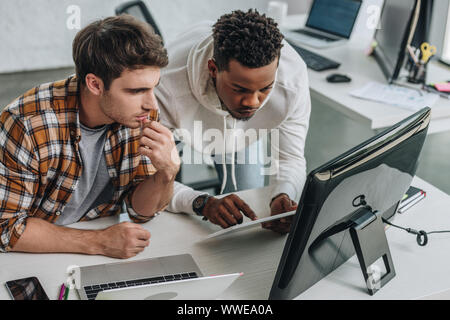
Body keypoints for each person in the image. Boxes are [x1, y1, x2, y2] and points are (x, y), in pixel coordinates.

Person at [0, 15, 180, 259]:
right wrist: (100, 242)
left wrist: (166, 174)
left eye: (153, 87)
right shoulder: (27, 125)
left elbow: (140, 212)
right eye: (136, 91)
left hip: (96, 249)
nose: (151, 103)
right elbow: (6, 228)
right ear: (95, 85)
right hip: (30, 254)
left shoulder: (139, 115)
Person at [156, 9, 311, 234]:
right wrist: (202, 203)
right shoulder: (166, 86)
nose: (252, 102)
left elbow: (290, 158)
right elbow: (147, 180)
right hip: (184, 117)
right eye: (240, 89)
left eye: (265, 88)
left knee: (246, 210)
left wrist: (284, 193)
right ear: (213, 70)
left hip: (242, 133)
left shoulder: (292, 80)